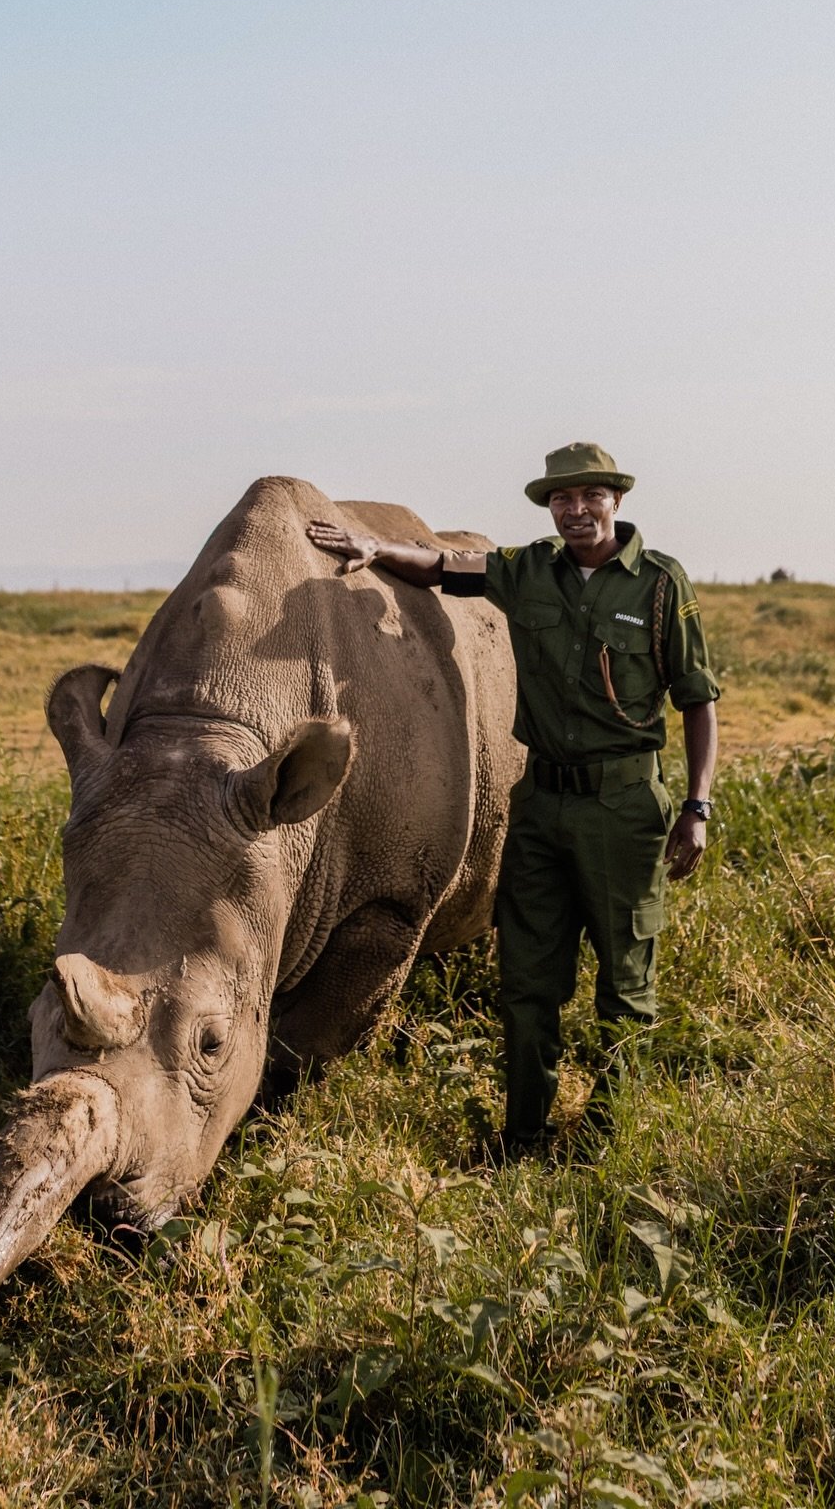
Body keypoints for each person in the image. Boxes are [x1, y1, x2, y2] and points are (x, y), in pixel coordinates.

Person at [306, 441, 719, 1158]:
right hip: (539, 811)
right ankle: (523, 1136)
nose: (576, 509)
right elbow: (441, 567)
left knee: (625, 990)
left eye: (589, 495)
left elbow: (698, 702)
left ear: (615, 501)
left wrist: (697, 805)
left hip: (625, 808)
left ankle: (608, 1139)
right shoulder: (529, 572)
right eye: (562, 498)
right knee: (527, 985)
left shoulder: (657, 584)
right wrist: (374, 545)